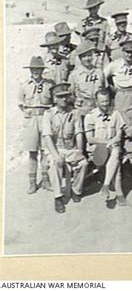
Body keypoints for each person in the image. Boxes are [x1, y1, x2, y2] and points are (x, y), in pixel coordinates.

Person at [42, 83, 87, 213]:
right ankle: (58, 197)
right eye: (60, 97)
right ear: (55, 98)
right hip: (55, 148)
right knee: (56, 163)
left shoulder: (74, 113)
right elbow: (48, 137)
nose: (64, 99)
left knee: (83, 163)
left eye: (66, 96)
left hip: (70, 148)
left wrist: (80, 151)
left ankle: (75, 190)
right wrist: (55, 155)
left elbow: (79, 133)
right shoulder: (49, 114)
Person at [19, 56, 55, 194]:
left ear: (42, 70)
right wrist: (27, 113)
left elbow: (53, 101)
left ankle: (46, 181)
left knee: (45, 151)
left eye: (39, 69)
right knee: (32, 152)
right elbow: (20, 103)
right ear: (30, 70)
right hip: (32, 119)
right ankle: (32, 183)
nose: (36, 71)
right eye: (34, 69)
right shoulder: (25, 85)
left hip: (45, 117)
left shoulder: (49, 85)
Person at [84, 88, 127, 204]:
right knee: (116, 155)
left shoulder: (116, 114)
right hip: (96, 150)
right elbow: (90, 139)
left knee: (115, 154)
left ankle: (107, 186)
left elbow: (119, 134)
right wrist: (108, 143)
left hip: (112, 148)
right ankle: (119, 194)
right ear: (96, 102)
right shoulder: (91, 116)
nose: (105, 104)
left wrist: (113, 141)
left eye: (107, 101)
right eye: (102, 101)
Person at [103, 34, 132, 114]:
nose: (129, 55)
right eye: (127, 52)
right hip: (122, 94)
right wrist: (110, 88)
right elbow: (103, 76)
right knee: (121, 119)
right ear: (123, 51)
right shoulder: (115, 64)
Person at [68, 41, 106, 118]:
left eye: (89, 55)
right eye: (84, 56)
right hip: (82, 108)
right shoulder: (75, 74)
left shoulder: (99, 72)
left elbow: (104, 89)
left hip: (98, 107)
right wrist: (76, 101)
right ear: (80, 58)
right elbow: (70, 94)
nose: (87, 59)